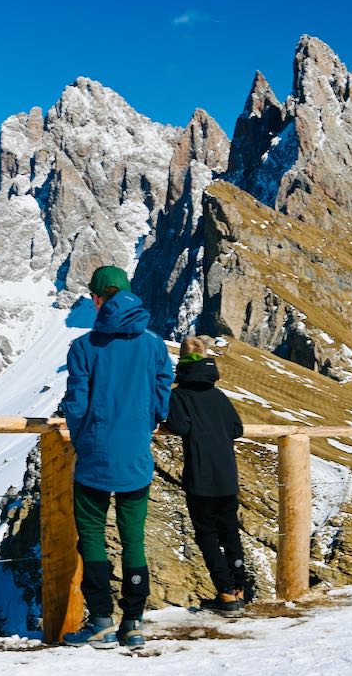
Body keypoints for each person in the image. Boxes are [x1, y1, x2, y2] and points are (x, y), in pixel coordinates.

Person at [61, 265, 173, 649]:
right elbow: (163, 389)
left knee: (91, 536)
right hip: (136, 457)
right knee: (133, 539)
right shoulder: (154, 344)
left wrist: (82, 438)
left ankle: (102, 621)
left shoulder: (84, 347)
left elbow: (76, 404)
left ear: (96, 299)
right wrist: (151, 421)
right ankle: (134, 622)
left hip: (94, 457)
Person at [164, 336, 247, 617]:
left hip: (200, 476)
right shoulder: (218, 395)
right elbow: (237, 428)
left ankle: (225, 593)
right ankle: (239, 589)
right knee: (230, 532)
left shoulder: (180, 395)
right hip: (227, 474)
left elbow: (178, 425)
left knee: (208, 536)